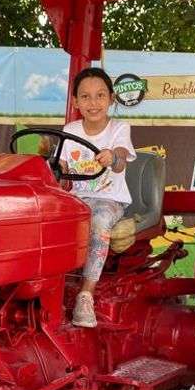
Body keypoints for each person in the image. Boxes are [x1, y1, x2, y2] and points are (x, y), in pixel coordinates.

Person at [61, 67, 136, 328]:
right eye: (86, 97)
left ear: (111, 99)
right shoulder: (70, 130)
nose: (93, 103)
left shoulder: (119, 128)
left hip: (109, 200)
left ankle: (86, 295)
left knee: (99, 220)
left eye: (100, 95)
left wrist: (113, 156)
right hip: (77, 199)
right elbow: (63, 169)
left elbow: (120, 161)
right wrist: (55, 166)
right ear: (76, 102)